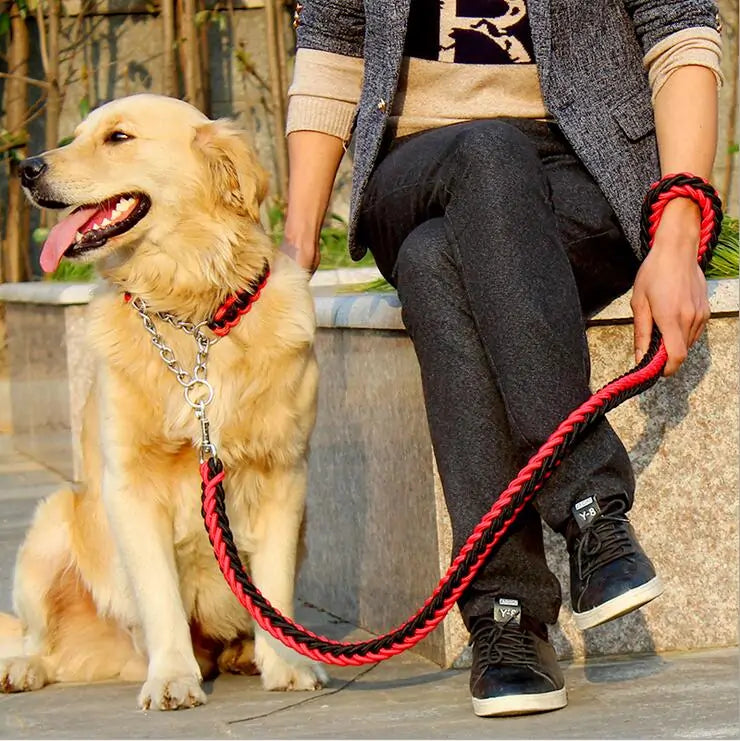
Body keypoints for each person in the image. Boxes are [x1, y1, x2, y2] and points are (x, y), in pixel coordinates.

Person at [280, 0, 722, 717]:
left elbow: (678, 29)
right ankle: (588, 503)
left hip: (585, 171)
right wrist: (295, 251)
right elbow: (332, 42)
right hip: (416, 171)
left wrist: (677, 233)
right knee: (486, 154)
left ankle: (506, 618)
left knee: (433, 263)